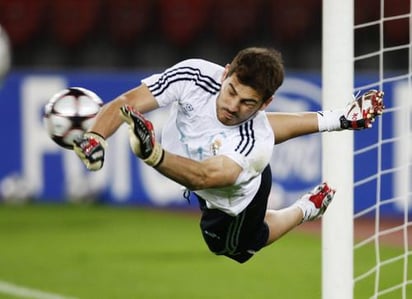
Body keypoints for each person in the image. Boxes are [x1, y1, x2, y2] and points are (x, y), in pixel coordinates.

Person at [73, 47, 384, 263]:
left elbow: (207, 176)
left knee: (235, 247)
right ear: (225, 74)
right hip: (207, 160)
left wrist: (154, 154)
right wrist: (95, 135)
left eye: (248, 102)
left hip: (237, 200)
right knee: (249, 129)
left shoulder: (256, 143)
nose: (232, 106)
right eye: (232, 90)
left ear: (266, 103)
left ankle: (305, 209)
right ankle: (337, 119)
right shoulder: (194, 75)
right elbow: (129, 102)